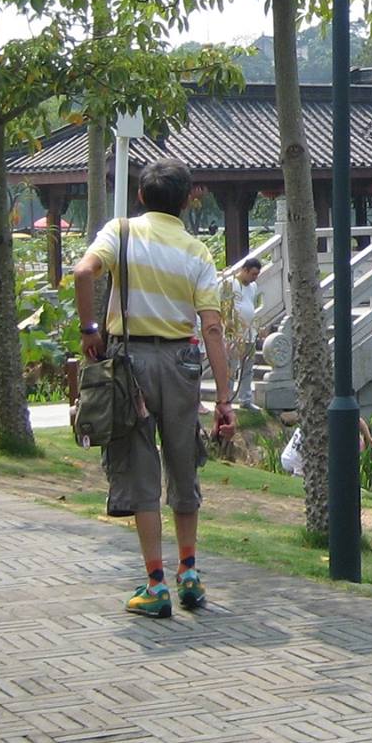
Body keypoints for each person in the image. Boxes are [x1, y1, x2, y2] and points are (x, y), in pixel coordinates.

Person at [71, 158, 235, 618]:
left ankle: (155, 584)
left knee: (141, 468)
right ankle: (190, 573)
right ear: (187, 201)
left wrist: (89, 329)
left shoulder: (120, 232)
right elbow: (212, 328)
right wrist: (224, 399)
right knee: (183, 464)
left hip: (130, 365)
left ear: (141, 196)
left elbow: (83, 272)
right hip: (182, 363)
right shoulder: (197, 252)